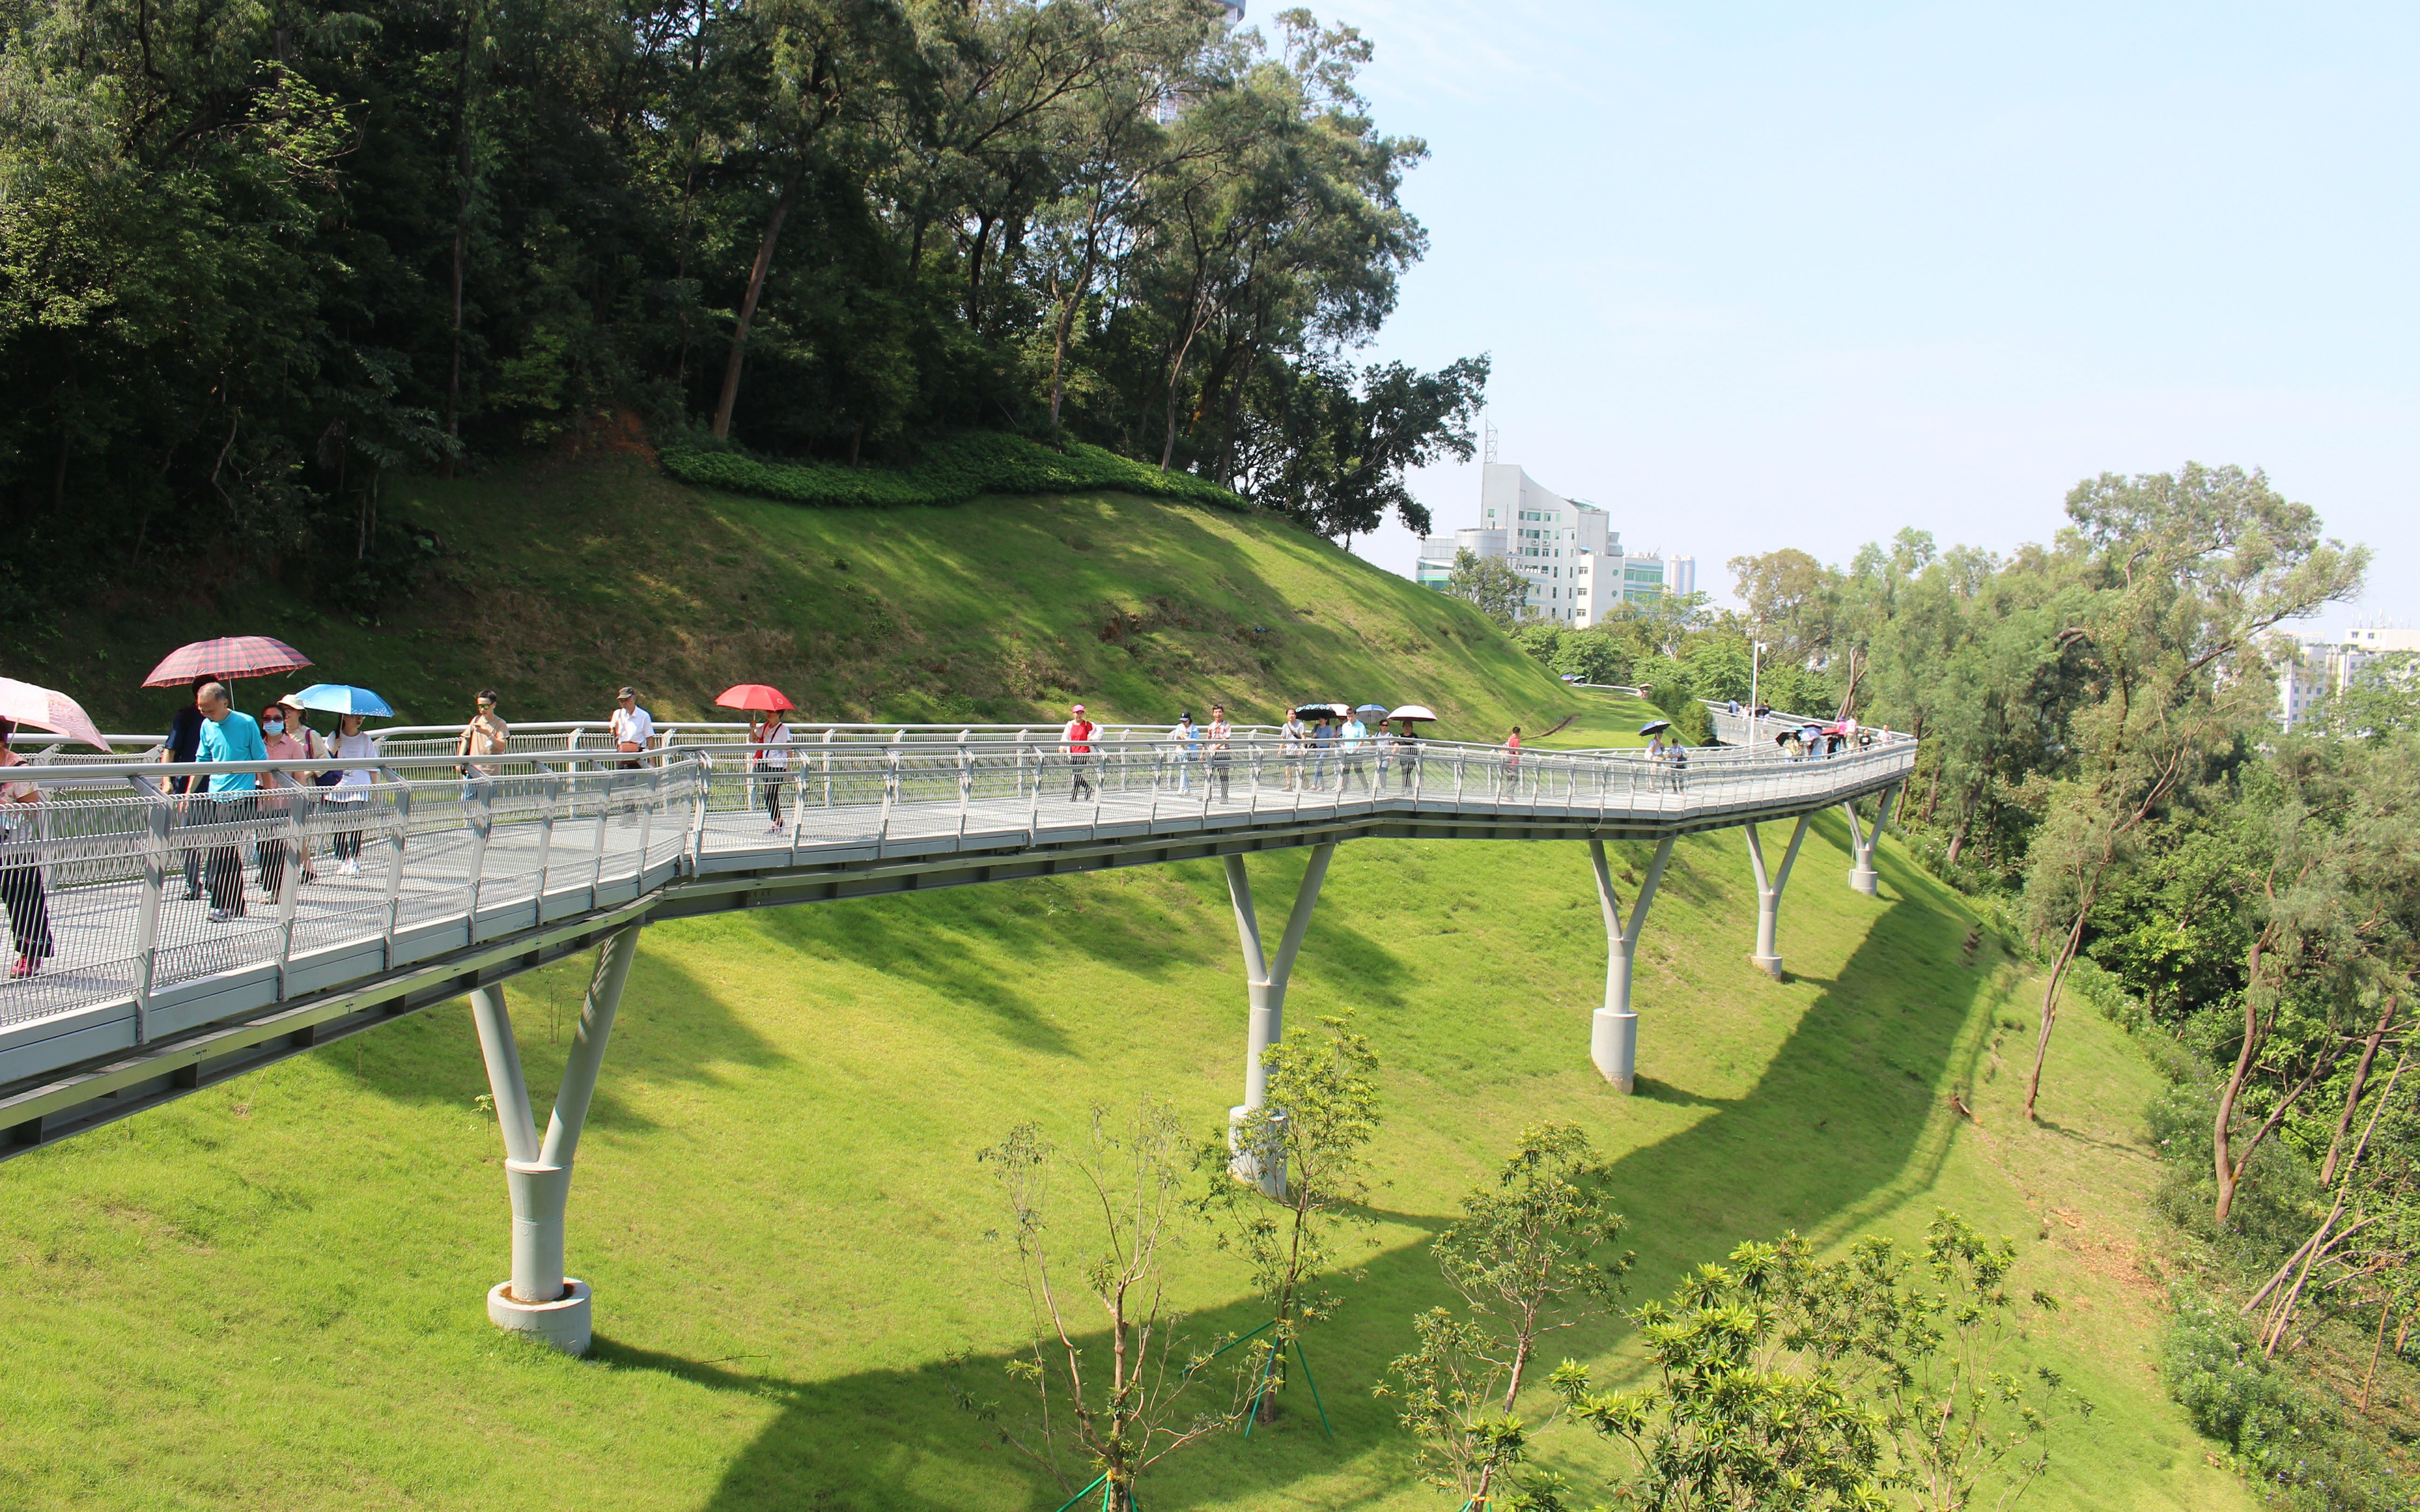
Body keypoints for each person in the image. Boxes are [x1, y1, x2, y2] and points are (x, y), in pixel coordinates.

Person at [194, 681, 267, 923]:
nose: (205, 715)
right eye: (202, 709)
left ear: (225, 703)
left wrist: (266, 793)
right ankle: (236, 903)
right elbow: (202, 761)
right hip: (216, 796)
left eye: (210, 710)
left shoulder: (246, 723)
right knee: (223, 850)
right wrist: (188, 794)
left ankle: (221, 904)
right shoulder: (206, 726)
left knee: (222, 849)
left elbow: (261, 759)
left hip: (241, 796)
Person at [0, 718, 54, 977]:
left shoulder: (17, 767)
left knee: (23, 900)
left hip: (14, 847)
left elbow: (32, 807)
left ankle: (29, 954)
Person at [255, 699, 318, 897]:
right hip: (263, 805)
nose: (271, 722)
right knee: (265, 847)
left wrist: (300, 803)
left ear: (283, 721)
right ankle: (271, 888)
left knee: (283, 848)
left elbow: (299, 777)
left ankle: (281, 889)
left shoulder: (293, 746)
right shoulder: (257, 745)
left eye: (276, 718)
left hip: (287, 804)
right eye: (267, 719)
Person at [157, 676, 211, 899]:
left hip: (218, 785)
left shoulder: (226, 720)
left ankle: (213, 879)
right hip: (187, 786)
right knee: (189, 835)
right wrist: (166, 780)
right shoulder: (186, 716)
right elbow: (170, 750)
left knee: (217, 835)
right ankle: (193, 883)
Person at [327, 712, 378, 875]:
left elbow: (373, 765)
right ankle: (343, 859)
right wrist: (334, 748)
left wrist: (376, 790)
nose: (359, 720)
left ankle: (354, 859)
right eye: (354, 716)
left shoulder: (365, 739)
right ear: (344, 717)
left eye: (362, 717)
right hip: (337, 788)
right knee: (338, 825)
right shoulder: (334, 736)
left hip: (359, 788)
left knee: (355, 823)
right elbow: (325, 761)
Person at [750, 708, 792, 832]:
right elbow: (754, 739)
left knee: (770, 794)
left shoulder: (784, 730)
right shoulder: (766, 726)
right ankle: (778, 820)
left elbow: (789, 749)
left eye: (771, 712)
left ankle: (778, 820)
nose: (768, 714)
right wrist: (752, 728)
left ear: (778, 714)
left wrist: (789, 768)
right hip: (767, 765)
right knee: (770, 795)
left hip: (778, 766)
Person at [457, 689, 509, 781]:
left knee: (489, 795)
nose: (482, 709)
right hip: (472, 770)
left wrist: (488, 734)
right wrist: (460, 760)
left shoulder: (500, 724)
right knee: (469, 795)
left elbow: (502, 746)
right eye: (480, 706)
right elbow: (466, 739)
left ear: (494, 705)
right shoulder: (476, 720)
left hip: (490, 773)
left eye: (486, 706)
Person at [609, 687, 654, 768]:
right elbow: (614, 734)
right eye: (621, 701)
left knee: (633, 779)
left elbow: (650, 737)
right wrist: (614, 729)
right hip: (622, 751)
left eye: (626, 700)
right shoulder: (617, 714)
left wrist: (652, 760)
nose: (623, 703)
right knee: (619, 779)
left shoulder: (644, 716)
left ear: (634, 699)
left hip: (637, 753)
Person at [1062, 704, 1097, 802]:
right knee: (1075, 773)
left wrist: (1092, 738)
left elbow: (1099, 731)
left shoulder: (1087, 724)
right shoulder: (1070, 725)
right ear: (1073, 714)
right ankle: (1088, 789)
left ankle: (1074, 796)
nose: (1079, 715)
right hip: (1074, 752)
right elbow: (1066, 736)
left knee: (1077, 773)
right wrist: (1063, 746)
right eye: (1077, 713)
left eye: (1081, 713)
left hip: (1084, 752)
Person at [1165, 712, 1199, 794]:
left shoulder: (1194, 729)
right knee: (1183, 770)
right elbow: (1176, 738)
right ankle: (1187, 789)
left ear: (1189, 720)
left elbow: (1196, 740)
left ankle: (1181, 789)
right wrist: (1179, 739)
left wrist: (1186, 740)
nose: (1184, 723)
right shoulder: (1179, 727)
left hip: (1189, 751)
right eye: (1182, 721)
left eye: (1185, 721)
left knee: (1184, 769)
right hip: (1180, 750)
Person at [1205, 705, 1234, 801]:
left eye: (1220, 712)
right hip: (1212, 754)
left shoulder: (1227, 726)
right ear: (1213, 714)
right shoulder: (1211, 726)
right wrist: (1203, 752)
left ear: (1223, 713)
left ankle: (1224, 797)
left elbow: (1225, 740)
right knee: (1209, 775)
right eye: (1216, 712)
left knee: (1224, 776)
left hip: (1223, 753)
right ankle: (1208, 796)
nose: (1218, 714)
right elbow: (1208, 740)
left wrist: (1215, 748)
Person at [1339, 709, 1370, 794]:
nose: (1350, 718)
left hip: (1357, 752)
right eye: (1349, 717)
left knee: (1358, 770)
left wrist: (1358, 747)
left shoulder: (1361, 726)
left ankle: (1366, 788)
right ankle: (1344, 789)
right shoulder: (1345, 726)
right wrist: (1344, 747)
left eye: (1352, 716)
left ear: (1356, 715)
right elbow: (1344, 739)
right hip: (1348, 752)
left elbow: (1362, 739)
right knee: (1346, 770)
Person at [1280, 708, 1308, 791]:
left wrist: (1302, 749)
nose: (1291, 716)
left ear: (1295, 715)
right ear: (1287, 716)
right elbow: (1284, 739)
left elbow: (1303, 737)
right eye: (1290, 714)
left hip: (1298, 750)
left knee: (1298, 768)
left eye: (1293, 714)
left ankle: (1305, 782)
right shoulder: (1285, 726)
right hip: (1289, 750)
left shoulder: (1300, 725)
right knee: (1288, 768)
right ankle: (1289, 785)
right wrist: (1280, 749)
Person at [1502, 726, 1522, 796]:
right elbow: (1517, 752)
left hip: (1506, 760)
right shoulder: (1516, 740)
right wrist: (1521, 753)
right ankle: (1509, 796)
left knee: (1510, 777)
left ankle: (1507, 794)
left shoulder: (1510, 739)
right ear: (1519, 733)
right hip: (1512, 762)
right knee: (1514, 777)